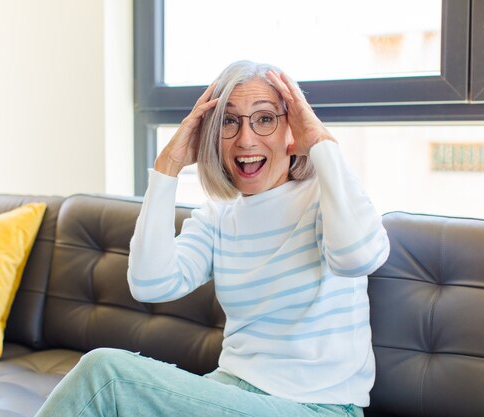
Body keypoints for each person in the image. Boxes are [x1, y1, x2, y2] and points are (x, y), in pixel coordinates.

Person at [35, 60, 390, 417]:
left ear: (292, 130)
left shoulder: (326, 198)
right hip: (229, 391)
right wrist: (167, 166)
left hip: (316, 407)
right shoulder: (218, 216)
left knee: (106, 376)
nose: (245, 139)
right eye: (229, 122)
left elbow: (358, 257)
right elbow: (150, 284)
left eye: (265, 119)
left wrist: (319, 143)